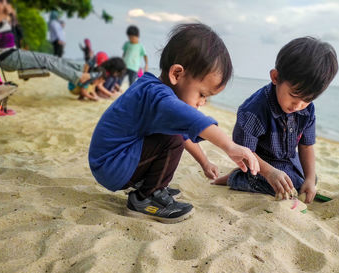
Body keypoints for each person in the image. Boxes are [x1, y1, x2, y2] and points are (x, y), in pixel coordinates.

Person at [88, 23, 259, 223]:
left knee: (174, 136)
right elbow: (194, 123)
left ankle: (153, 185)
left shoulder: (152, 90)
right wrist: (230, 146)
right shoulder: (159, 97)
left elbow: (185, 134)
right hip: (113, 165)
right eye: (202, 94)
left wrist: (205, 163)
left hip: (111, 162)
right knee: (172, 140)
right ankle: (145, 197)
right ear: (177, 74)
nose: (202, 102)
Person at [213, 37, 338, 204]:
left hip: (288, 160)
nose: (298, 105)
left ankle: (296, 178)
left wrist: (308, 178)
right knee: (286, 184)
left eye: (307, 99)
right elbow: (242, 152)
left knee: (310, 179)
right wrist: (270, 172)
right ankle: (237, 177)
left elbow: (306, 145)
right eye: (294, 95)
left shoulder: (307, 109)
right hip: (258, 161)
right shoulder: (254, 110)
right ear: (275, 77)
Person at [0, 0, 95, 85]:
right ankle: (79, 77)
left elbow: (19, 34)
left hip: (15, 54)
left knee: (52, 58)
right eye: (1, 2)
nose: (5, 5)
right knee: (47, 61)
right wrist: (5, 15)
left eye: (6, 2)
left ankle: (81, 67)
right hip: (6, 58)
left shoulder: (5, 19)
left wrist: (13, 17)